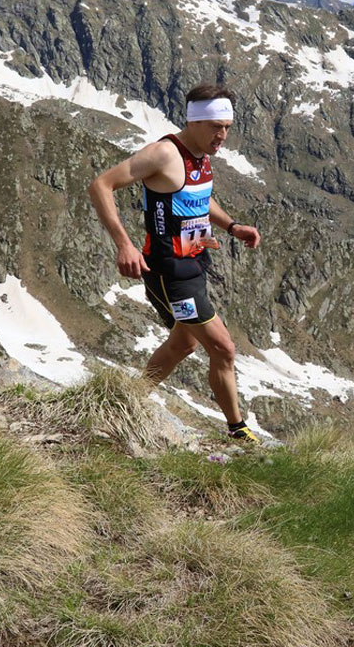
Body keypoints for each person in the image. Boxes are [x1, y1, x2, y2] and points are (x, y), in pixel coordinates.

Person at [88, 84, 263, 441]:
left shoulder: (200, 157)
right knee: (223, 348)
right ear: (195, 122)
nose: (223, 135)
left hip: (196, 263)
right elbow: (100, 186)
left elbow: (197, 198)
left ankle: (127, 400)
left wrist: (232, 225)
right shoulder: (164, 154)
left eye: (228, 127)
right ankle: (238, 431)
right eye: (217, 127)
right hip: (169, 272)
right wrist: (125, 245)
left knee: (184, 344)